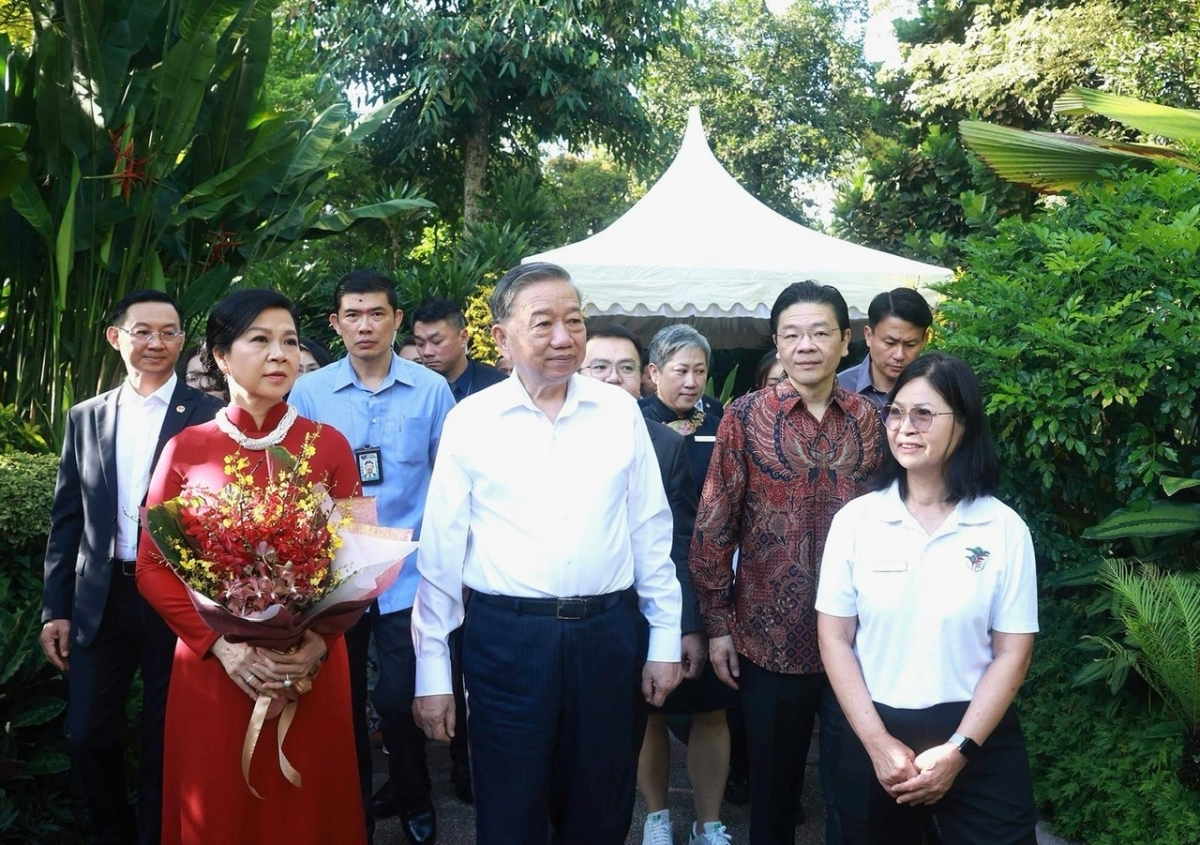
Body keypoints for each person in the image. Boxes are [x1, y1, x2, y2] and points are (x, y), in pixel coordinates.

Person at [411, 262, 683, 845]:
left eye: (574, 321)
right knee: (510, 811)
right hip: (507, 641)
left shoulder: (618, 414)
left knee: (602, 806)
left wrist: (662, 640)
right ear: (502, 337)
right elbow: (439, 559)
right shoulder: (471, 422)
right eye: (543, 324)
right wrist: (433, 673)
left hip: (607, 637)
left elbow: (650, 535)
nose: (564, 338)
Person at [134, 289, 363, 843]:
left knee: (309, 811)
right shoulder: (185, 449)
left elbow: (361, 560)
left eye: (288, 340)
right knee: (219, 810)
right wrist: (223, 647)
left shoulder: (330, 446)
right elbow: (152, 566)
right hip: (217, 674)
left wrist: (321, 643)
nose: (279, 354)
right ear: (220, 355)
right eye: (259, 340)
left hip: (308, 670)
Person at [691, 281, 885, 845]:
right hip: (769, 638)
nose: (807, 345)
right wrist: (718, 625)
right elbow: (713, 524)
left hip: (860, 639)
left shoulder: (874, 421)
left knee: (857, 792)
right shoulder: (743, 416)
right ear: (776, 343)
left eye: (821, 332)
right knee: (773, 797)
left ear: (845, 342)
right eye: (792, 334)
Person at [816, 352, 1039, 844]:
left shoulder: (1002, 528)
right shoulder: (857, 521)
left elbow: (1012, 651)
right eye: (896, 412)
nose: (905, 427)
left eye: (924, 414)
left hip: (974, 731)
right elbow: (834, 638)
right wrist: (877, 743)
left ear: (963, 423)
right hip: (872, 727)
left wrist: (959, 749)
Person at [40, 290, 222, 845]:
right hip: (102, 598)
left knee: (165, 740)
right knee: (86, 736)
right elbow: (67, 516)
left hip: (175, 599)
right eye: (143, 331)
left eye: (169, 332)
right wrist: (56, 609)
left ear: (183, 341)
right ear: (116, 337)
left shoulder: (211, 416)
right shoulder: (86, 416)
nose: (156, 343)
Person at [289, 270, 454, 845]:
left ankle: (413, 794)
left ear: (395, 320)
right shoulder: (309, 393)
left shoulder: (431, 390)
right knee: (338, 697)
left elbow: (448, 481)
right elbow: (298, 478)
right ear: (335, 324)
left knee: (396, 696)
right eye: (353, 315)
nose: (366, 325)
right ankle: (351, 806)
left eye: (377, 313)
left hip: (408, 573)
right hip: (335, 572)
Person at [579, 325, 732, 845]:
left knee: (710, 709)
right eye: (600, 368)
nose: (690, 381)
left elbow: (683, 534)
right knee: (646, 714)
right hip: (617, 604)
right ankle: (657, 816)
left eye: (699, 370)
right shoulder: (629, 424)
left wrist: (693, 620)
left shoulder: (705, 426)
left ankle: (710, 821)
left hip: (692, 584)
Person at [640, 325, 724, 500]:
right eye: (681, 371)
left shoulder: (719, 427)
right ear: (655, 373)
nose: (691, 382)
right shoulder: (638, 424)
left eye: (700, 371)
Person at [836, 289, 933, 406]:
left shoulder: (936, 390)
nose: (899, 355)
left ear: (924, 340)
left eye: (910, 345)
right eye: (890, 343)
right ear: (868, 335)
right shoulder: (839, 388)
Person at [412, 297, 507, 400]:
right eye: (420, 344)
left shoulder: (499, 386)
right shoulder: (411, 391)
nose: (427, 352)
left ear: (463, 338)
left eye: (437, 342)